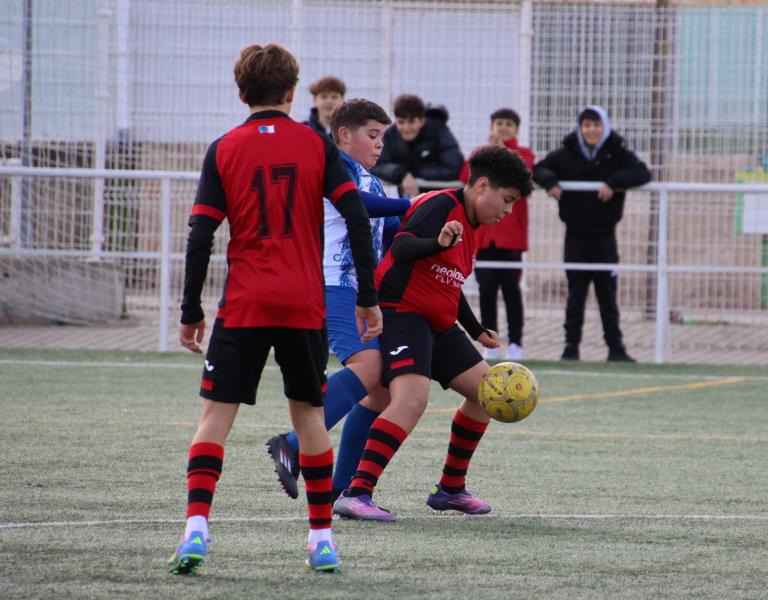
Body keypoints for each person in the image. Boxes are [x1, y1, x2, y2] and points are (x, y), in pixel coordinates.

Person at [168, 44, 381, 575]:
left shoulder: (224, 148)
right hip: (303, 304)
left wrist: (190, 308)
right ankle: (321, 540)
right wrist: (368, 297)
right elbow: (356, 216)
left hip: (244, 303)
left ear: (241, 92)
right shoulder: (315, 145)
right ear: (291, 91)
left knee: (214, 419)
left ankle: (195, 530)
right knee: (309, 419)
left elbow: (201, 234)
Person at [332, 145, 533, 521]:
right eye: (506, 200)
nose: (507, 211)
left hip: (437, 322)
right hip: (401, 312)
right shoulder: (439, 204)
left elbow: (449, 281)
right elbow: (402, 246)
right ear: (482, 186)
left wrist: (475, 329)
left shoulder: (475, 226)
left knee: (487, 393)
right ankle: (357, 493)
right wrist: (437, 243)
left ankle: (450, 489)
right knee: (411, 399)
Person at [266, 98, 413, 501]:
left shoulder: (372, 180)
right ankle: (291, 444)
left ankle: (340, 489)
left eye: (383, 137)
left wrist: (431, 227)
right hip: (334, 284)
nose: (380, 144)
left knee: (379, 391)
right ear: (344, 135)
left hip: (361, 292)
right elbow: (358, 206)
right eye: (373, 135)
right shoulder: (335, 168)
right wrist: (410, 203)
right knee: (369, 367)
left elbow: (392, 230)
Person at [532, 105, 651, 362]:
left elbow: (642, 173)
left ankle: (616, 349)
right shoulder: (566, 154)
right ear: (580, 128)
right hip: (575, 236)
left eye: (596, 124)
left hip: (605, 237)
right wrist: (550, 182)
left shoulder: (617, 153)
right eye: (586, 125)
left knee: (607, 295)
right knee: (576, 294)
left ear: (604, 127)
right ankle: (570, 348)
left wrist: (614, 182)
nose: (591, 130)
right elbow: (538, 169)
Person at [459, 108, 535, 361]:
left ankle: (516, 343)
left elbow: (524, 176)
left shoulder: (524, 154)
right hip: (484, 236)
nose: (503, 127)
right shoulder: (479, 153)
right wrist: (488, 153)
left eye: (509, 124)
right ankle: (490, 341)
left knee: (512, 290)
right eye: (499, 123)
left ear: (517, 129)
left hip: (510, 239)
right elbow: (466, 178)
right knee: (486, 289)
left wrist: (503, 152)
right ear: (491, 126)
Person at [371, 94, 463, 197]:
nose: (406, 128)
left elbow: (452, 168)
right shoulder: (391, 135)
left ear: (422, 121)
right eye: (401, 122)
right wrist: (402, 174)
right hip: (409, 199)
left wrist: (413, 172)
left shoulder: (439, 131)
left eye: (411, 122)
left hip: (441, 198)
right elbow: (376, 163)